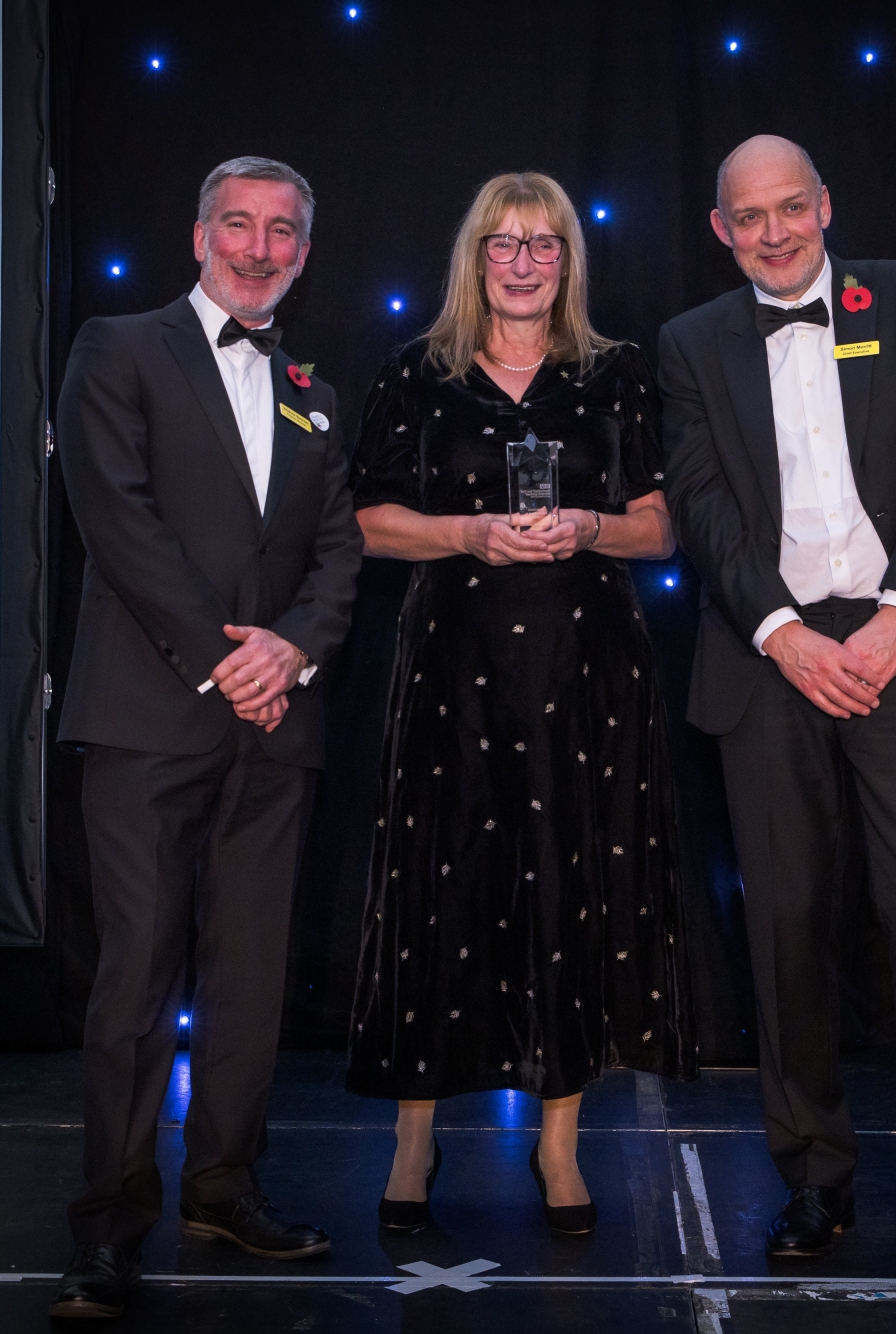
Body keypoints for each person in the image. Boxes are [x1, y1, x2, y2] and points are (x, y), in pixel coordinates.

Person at [656, 135, 896, 1264]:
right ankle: (814, 1176)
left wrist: (894, 613)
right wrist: (779, 632)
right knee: (785, 925)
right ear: (719, 229)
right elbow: (703, 505)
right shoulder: (688, 343)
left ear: (824, 204)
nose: (772, 232)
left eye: (790, 208)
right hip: (765, 654)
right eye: (748, 216)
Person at [345, 171, 697, 1236]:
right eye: (504, 244)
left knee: (568, 885)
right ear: (473, 256)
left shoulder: (614, 372)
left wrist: (587, 528)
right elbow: (367, 522)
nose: (523, 262)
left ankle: (558, 1142)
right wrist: (468, 533)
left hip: (586, 673)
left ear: (567, 261)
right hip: (453, 669)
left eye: (544, 245)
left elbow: (659, 527)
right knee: (436, 886)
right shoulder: (417, 372)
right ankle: (414, 1133)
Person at [49, 156, 363, 1318]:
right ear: (197, 235)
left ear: (304, 250)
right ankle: (109, 1224)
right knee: (134, 979)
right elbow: (115, 517)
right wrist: (229, 660)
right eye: (237, 224)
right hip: (148, 717)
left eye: (283, 229)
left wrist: (292, 653)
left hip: (277, 725)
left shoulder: (319, 387)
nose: (259, 246)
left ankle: (224, 1186)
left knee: (250, 975)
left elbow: (338, 552)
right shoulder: (115, 347)